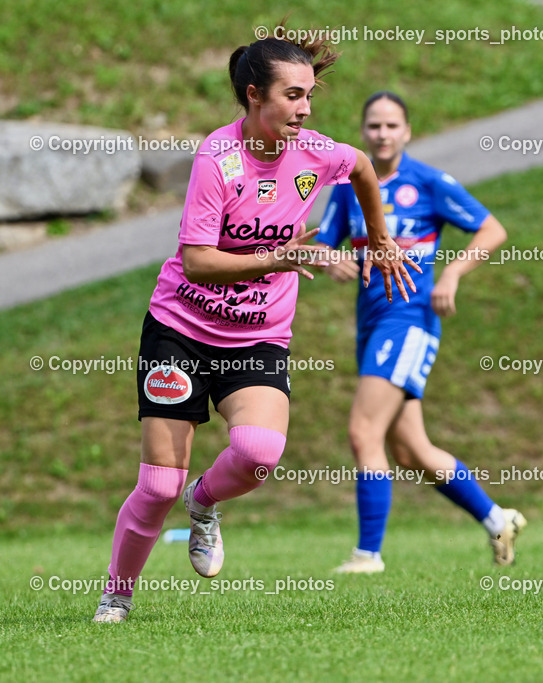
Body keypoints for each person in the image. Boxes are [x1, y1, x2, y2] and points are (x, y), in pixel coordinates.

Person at [92, 33, 418, 623]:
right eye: (293, 96)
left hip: (256, 336)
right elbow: (198, 261)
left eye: (310, 95)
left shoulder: (317, 153)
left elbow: (365, 169)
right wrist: (281, 257)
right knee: (159, 485)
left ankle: (205, 502)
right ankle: (117, 594)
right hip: (180, 328)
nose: (306, 108)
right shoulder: (218, 160)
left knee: (259, 452)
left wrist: (381, 239)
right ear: (253, 96)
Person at [317, 91, 525, 574]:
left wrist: (452, 274)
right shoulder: (349, 186)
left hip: (408, 321)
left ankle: (368, 555)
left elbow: (491, 229)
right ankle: (497, 518)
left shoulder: (428, 183)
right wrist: (332, 260)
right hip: (370, 324)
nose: (382, 134)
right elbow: (323, 245)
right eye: (373, 126)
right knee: (411, 452)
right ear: (363, 131)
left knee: (363, 430)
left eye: (392, 126)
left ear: (407, 132)